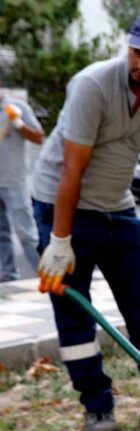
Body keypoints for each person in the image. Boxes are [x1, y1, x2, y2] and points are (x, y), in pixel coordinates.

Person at [32, 13, 140, 431]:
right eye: (136, 52)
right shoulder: (93, 84)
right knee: (76, 308)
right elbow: (72, 166)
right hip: (62, 203)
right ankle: (97, 406)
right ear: (129, 46)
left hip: (117, 208)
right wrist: (60, 240)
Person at [0, 83, 45, 282]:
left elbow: (39, 137)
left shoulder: (17, 108)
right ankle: (9, 274)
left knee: (27, 233)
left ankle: (44, 275)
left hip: (14, 182)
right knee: (1, 234)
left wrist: (18, 123)